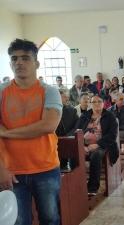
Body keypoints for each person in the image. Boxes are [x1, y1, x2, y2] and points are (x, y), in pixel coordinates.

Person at [0, 38, 63, 225]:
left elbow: (48, 125)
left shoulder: (49, 91)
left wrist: (6, 132)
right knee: (17, 221)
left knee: (50, 218)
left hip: (46, 167)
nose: (19, 62)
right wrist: (1, 168)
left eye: (25, 58)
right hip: (11, 170)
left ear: (36, 63)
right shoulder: (2, 93)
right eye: (14, 58)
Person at [73, 95, 119, 196]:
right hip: (84, 144)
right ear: (90, 104)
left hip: (103, 145)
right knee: (73, 154)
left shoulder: (110, 116)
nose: (97, 104)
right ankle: (76, 184)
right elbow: (76, 131)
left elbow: (112, 135)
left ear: (103, 103)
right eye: (94, 102)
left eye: (99, 101)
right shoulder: (85, 116)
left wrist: (97, 144)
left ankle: (92, 187)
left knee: (96, 155)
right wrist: (82, 145)